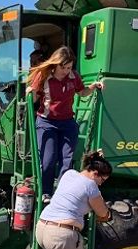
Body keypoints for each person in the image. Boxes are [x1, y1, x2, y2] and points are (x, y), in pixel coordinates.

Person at [26, 46, 104, 203]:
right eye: (64, 67)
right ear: (56, 64)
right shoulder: (43, 75)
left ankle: (61, 194)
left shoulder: (73, 77)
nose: (67, 71)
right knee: (48, 161)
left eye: (69, 67)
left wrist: (93, 87)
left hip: (67, 122)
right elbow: (33, 99)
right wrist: (30, 92)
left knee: (66, 160)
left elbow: (82, 93)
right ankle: (46, 192)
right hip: (47, 122)